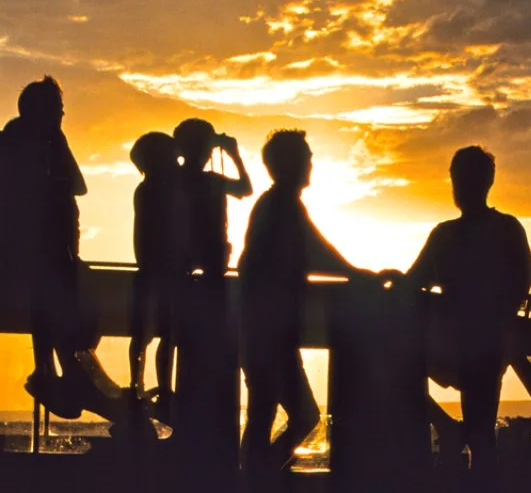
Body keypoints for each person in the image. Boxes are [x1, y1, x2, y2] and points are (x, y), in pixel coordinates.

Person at [238, 129, 369, 472]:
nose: (312, 162)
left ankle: (253, 481)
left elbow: (315, 250)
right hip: (271, 333)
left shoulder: (277, 204)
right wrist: (359, 276)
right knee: (305, 415)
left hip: (260, 330)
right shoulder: (282, 206)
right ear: (291, 163)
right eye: (306, 157)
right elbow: (316, 253)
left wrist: (356, 273)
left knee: (261, 414)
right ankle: (261, 475)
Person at [405, 145, 531, 473]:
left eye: (465, 179)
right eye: (456, 179)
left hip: (484, 347)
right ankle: (448, 429)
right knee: (399, 372)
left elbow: (522, 279)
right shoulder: (446, 234)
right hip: (455, 347)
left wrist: (494, 316)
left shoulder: (503, 229)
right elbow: (413, 281)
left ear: (486, 182)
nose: (459, 187)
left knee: (481, 440)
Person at [0, 76, 90, 416]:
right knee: (50, 293)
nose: (62, 117)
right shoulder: (15, 141)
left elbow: (78, 185)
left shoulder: (52, 141)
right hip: (34, 247)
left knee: (62, 296)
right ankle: (52, 370)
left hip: (57, 247)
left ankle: (62, 370)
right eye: (57, 111)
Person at [127, 131, 188, 406]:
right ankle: (156, 385)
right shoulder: (159, 190)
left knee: (149, 333)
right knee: (162, 333)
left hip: (151, 270)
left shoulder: (147, 189)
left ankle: (139, 384)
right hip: (162, 271)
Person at [173, 117, 252, 280]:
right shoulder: (213, 181)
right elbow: (245, 189)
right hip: (212, 258)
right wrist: (235, 155)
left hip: (179, 259)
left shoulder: (171, 179)